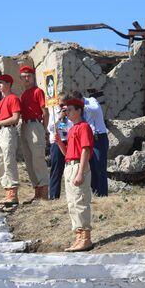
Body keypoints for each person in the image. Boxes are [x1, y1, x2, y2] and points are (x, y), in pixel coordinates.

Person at [54, 98, 94, 252]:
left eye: (70, 109)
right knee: (72, 203)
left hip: (78, 165)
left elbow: (85, 150)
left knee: (80, 201)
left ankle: (85, 237)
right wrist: (59, 143)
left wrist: (81, 172)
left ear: (79, 111)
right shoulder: (71, 129)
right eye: (66, 110)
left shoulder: (84, 127)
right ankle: (78, 236)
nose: (67, 112)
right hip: (70, 165)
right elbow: (68, 154)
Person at [19, 65, 50, 200]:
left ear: (33, 77)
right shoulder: (23, 94)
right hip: (25, 125)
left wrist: (43, 128)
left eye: (29, 76)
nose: (27, 79)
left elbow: (45, 112)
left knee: (38, 158)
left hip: (35, 124)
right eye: (24, 77)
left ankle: (44, 192)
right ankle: (37, 191)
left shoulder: (38, 91)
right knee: (29, 161)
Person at [70, 91, 109, 196]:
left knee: (100, 167)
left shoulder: (92, 101)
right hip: (87, 139)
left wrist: (80, 107)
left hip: (98, 137)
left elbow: (95, 109)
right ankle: (94, 192)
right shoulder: (78, 112)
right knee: (90, 167)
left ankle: (102, 194)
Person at [0, 74, 21, 205]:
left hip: (7, 130)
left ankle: (13, 192)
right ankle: (7, 190)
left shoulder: (13, 98)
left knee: (8, 160)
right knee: (0, 162)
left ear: (8, 84)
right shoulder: (0, 102)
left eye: (1, 83)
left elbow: (15, 118)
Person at [47, 94, 74, 199]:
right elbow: (50, 128)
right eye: (61, 104)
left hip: (68, 141)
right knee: (57, 169)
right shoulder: (53, 112)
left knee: (71, 168)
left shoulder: (70, 113)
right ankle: (54, 195)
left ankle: (71, 194)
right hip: (57, 142)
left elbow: (70, 127)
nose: (63, 107)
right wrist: (59, 118)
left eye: (65, 104)